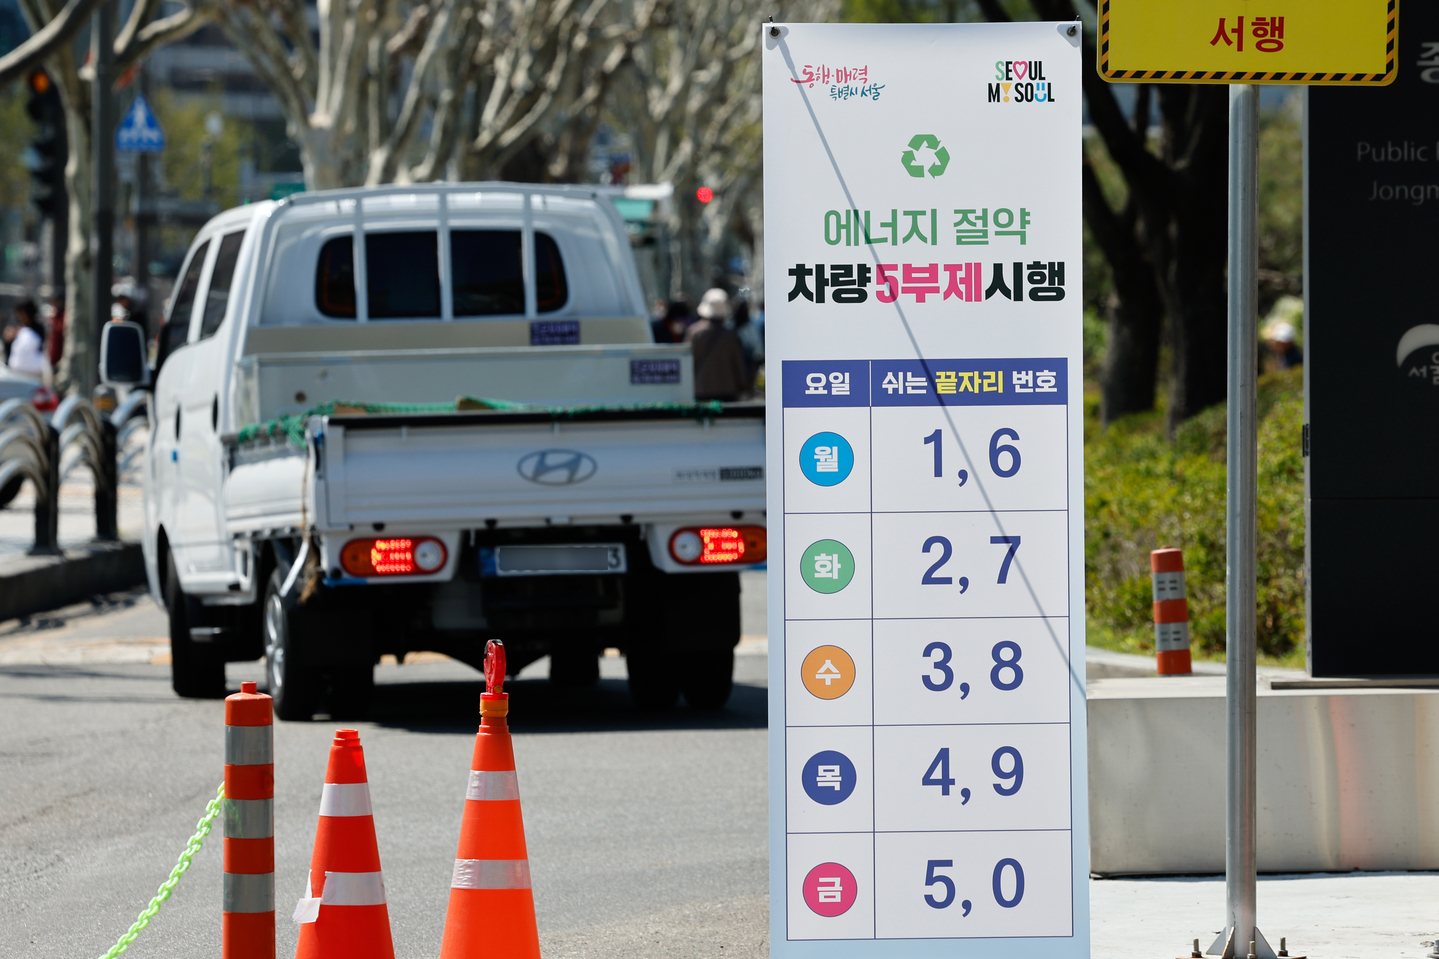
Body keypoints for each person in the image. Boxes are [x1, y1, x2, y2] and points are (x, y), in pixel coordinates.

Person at [685, 288, 749, 401]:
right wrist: (743, 386)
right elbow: (738, 364)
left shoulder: (694, 332)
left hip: (700, 389)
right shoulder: (731, 336)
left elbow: (687, 363)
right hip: (727, 391)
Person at [5, 299, 46, 375]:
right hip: (15, 372)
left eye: (23, 313)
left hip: (34, 372)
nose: (20, 316)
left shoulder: (38, 329)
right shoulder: (16, 327)